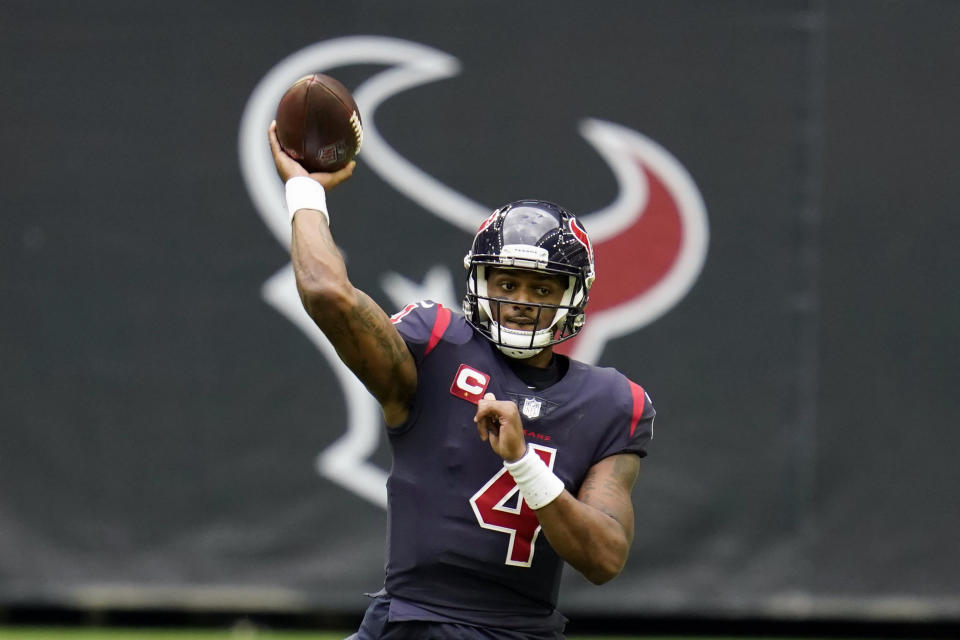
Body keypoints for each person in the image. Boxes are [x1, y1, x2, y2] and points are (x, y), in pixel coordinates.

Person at [268, 121, 656, 640]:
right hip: (408, 622)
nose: (521, 300)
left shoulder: (612, 401)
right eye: (508, 282)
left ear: (573, 298)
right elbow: (326, 294)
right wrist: (305, 188)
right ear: (479, 281)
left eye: (541, 287)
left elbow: (605, 558)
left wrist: (524, 464)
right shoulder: (435, 346)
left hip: (519, 631)